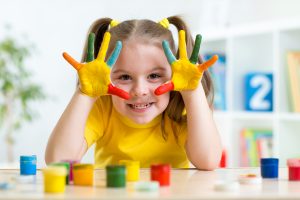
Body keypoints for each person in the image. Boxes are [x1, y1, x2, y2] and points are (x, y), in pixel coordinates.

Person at [45, 16, 222, 170]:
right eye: (124, 77)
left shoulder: (178, 107)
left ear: (174, 74)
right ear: (107, 76)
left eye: (154, 76)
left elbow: (208, 161)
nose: (140, 91)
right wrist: (85, 95)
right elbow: (58, 162)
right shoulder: (104, 108)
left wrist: (192, 92)